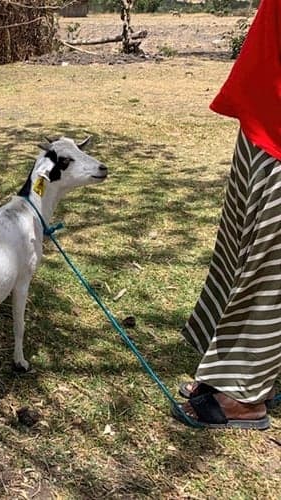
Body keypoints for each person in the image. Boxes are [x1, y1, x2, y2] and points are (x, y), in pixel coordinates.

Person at [176, 0, 281, 429]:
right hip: (265, 108)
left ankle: (244, 394)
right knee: (240, 251)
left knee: (269, 270)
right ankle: (243, 370)